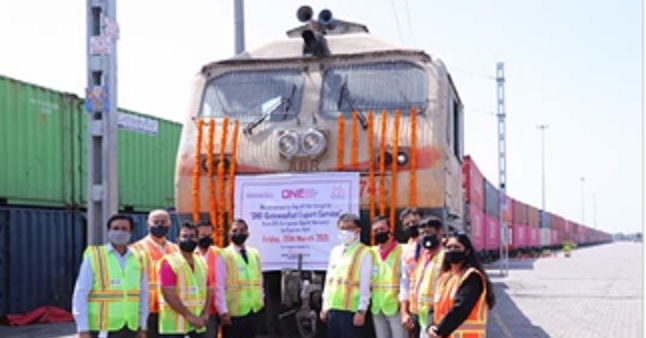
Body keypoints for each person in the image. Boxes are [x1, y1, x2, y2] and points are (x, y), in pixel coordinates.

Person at [72, 214, 148, 338]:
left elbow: (144, 295)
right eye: (115, 228)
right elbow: (80, 293)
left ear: (131, 233)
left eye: (124, 229)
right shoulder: (94, 256)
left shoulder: (139, 257)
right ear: (109, 231)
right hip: (102, 328)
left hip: (130, 326)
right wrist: (82, 329)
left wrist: (142, 326)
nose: (119, 232)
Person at [426, 232, 496, 338]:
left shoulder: (472, 277)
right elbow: (434, 306)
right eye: (449, 247)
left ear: (467, 251)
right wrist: (430, 326)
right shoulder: (445, 276)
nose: (452, 250)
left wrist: (439, 331)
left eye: (457, 247)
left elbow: (460, 309)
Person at [320, 213, 374, 338]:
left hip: (352, 310)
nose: (345, 232)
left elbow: (365, 285)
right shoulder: (335, 251)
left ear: (357, 231)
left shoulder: (364, 252)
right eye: (342, 228)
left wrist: (362, 310)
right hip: (333, 308)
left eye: (349, 228)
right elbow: (329, 281)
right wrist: (325, 306)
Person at [158, 222, 212, 338]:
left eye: (192, 236)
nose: (188, 239)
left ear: (197, 239)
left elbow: (208, 289)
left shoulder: (201, 262)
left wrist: (206, 314)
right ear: (178, 239)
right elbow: (168, 294)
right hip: (174, 328)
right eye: (185, 236)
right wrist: (190, 317)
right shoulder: (169, 262)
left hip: (198, 326)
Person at [131, 209, 179, 337]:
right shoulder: (137, 249)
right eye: (156, 222)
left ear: (169, 225)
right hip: (149, 310)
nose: (159, 225)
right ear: (148, 225)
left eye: (163, 222)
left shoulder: (175, 249)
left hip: (170, 309)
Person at [221, 218, 264, 338]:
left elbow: (259, 280)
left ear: (248, 234)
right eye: (235, 230)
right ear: (229, 233)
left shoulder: (254, 253)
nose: (238, 233)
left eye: (242, 230)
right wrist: (223, 311)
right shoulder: (223, 255)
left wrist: (261, 300)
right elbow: (219, 286)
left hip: (253, 310)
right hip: (233, 314)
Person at [370, 216, 407, 338]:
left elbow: (406, 280)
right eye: (375, 231)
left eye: (382, 229)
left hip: (395, 306)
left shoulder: (402, 250)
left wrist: (404, 307)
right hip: (377, 306)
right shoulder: (371, 253)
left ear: (390, 229)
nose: (379, 233)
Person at [411, 217, 445, 338]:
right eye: (422, 233)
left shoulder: (445, 256)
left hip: (436, 314)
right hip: (421, 313)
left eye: (429, 232)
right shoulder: (424, 255)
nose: (425, 236)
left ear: (440, 232)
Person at [195, 221, 228, 338]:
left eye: (209, 235)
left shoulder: (218, 254)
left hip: (211, 312)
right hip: (191, 310)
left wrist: (223, 311)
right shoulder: (188, 254)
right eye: (202, 235)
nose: (206, 238)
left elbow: (221, 285)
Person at [398, 208, 423, 337]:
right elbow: (405, 281)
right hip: (415, 308)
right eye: (407, 224)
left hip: (433, 308)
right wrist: (404, 311)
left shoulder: (434, 246)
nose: (411, 226)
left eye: (414, 222)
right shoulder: (407, 249)